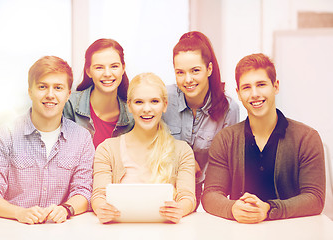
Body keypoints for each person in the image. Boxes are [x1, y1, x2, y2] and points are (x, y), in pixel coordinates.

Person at [201, 53, 325, 223]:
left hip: (293, 232)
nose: (254, 94)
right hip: (241, 232)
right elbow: (210, 195)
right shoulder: (225, 140)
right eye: (246, 87)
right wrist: (232, 209)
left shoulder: (307, 138)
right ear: (238, 93)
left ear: (276, 86)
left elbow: (315, 199)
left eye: (261, 85)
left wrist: (269, 209)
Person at [0, 56, 94, 224]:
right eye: (42, 87)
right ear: (30, 91)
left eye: (58, 88)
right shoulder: (4, 136)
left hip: (61, 231)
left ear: (68, 94)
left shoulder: (82, 138)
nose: (50, 95)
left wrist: (66, 209)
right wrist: (19, 213)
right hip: (13, 230)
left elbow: (83, 191)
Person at [91, 73, 196, 224]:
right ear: (129, 106)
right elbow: (99, 195)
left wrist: (179, 209)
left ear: (164, 105)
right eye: (139, 102)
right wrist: (102, 208)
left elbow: (187, 197)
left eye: (154, 101)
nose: (147, 109)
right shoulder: (107, 149)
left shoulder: (183, 151)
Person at [162, 31, 239, 207]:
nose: (188, 79)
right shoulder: (164, 98)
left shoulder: (229, 109)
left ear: (209, 69)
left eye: (195, 71)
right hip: (164, 189)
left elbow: (227, 164)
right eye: (180, 72)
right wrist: (186, 159)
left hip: (206, 193)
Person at [63, 38, 134, 148]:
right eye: (99, 67)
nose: (107, 73)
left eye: (114, 66)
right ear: (88, 71)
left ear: (123, 68)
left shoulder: (132, 115)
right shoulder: (69, 105)